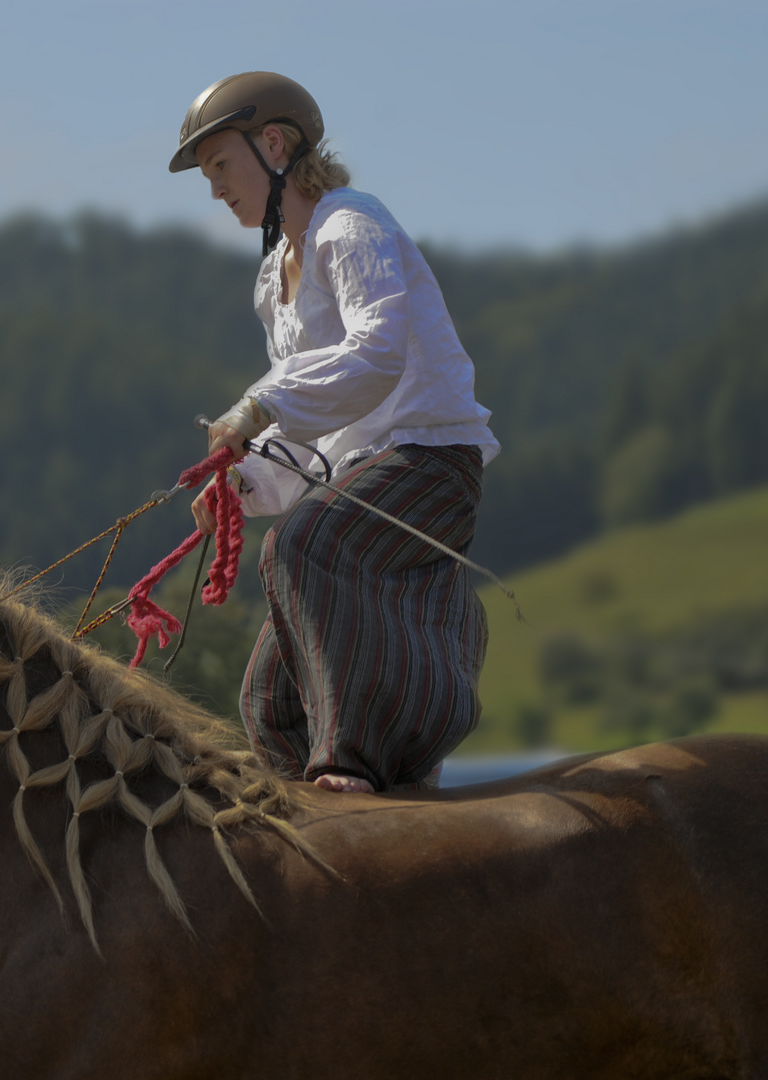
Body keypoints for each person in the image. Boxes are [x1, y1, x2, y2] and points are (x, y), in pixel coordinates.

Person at [172, 72, 499, 794]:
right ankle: (325, 832)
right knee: (267, 701)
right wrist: (245, 482)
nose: (216, 189)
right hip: (358, 476)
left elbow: (375, 355)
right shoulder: (272, 280)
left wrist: (255, 408)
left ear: (275, 144)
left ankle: (348, 774)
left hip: (429, 464)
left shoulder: (352, 225)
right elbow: (314, 425)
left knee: (302, 545)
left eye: (221, 165)